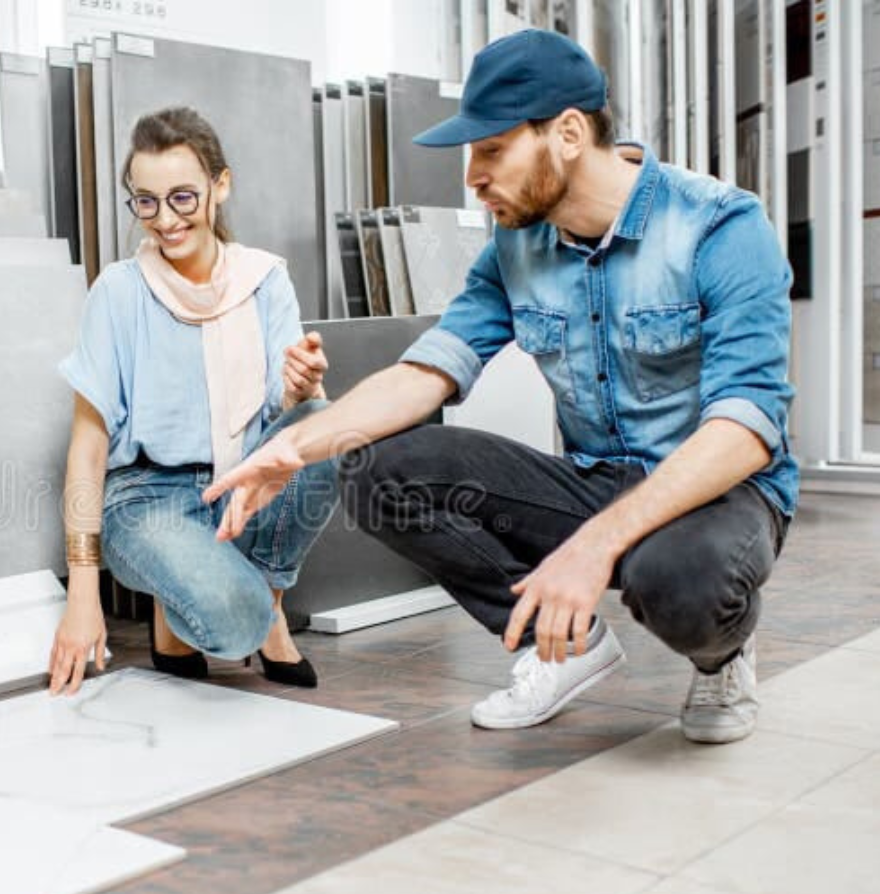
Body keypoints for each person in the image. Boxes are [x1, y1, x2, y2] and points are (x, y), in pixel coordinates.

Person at [203, 29, 797, 745]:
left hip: (719, 493)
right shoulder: (516, 246)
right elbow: (426, 373)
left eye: (491, 150)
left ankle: (722, 657)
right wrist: (295, 447)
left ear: (568, 134)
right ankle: (564, 647)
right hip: (596, 479)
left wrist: (595, 545)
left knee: (677, 583)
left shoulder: (720, 225)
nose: (473, 177)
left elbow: (746, 426)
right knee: (376, 469)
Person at [48, 106, 339, 696]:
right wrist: (82, 594)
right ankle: (220, 602)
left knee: (323, 423)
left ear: (219, 185)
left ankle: (268, 604)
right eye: (146, 201)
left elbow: (286, 417)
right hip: (149, 497)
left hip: (243, 481)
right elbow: (87, 446)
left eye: (182, 197)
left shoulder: (264, 279)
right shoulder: (119, 292)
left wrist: (301, 387)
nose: (165, 219)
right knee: (232, 626)